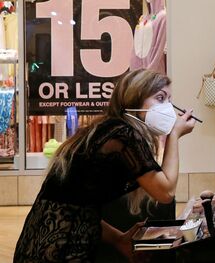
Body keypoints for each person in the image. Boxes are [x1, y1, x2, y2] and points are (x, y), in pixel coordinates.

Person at [13, 69, 196, 262]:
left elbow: (79, 205)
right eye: (160, 98)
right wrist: (174, 135)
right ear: (134, 99)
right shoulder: (123, 134)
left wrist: (118, 239)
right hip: (59, 247)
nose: (168, 107)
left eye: (169, 99)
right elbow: (165, 192)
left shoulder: (108, 128)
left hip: (44, 239)